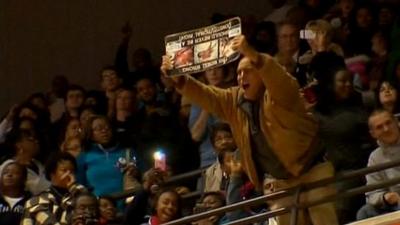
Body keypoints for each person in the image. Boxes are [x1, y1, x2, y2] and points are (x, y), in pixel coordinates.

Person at [161, 34, 338, 225]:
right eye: (238, 73)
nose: (241, 76)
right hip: (281, 181)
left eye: (248, 71)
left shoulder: (281, 92)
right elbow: (208, 95)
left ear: (261, 73)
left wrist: (253, 55)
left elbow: (278, 77)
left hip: (312, 170)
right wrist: (180, 80)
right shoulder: (235, 100)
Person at [357, 109, 400, 220]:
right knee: (365, 212)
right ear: (373, 134)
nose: (386, 129)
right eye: (379, 127)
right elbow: (372, 193)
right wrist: (386, 197)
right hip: (396, 204)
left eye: (388, 123)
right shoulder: (375, 157)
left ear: (396, 122)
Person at [21, 152, 86, 225]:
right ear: (52, 174)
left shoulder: (81, 194)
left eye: (72, 171)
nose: (69, 175)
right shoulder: (36, 201)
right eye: (64, 170)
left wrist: (74, 187)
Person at [203, 123, 237, 192]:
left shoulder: (247, 163)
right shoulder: (210, 172)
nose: (224, 142)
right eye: (218, 139)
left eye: (228, 137)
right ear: (214, 147)